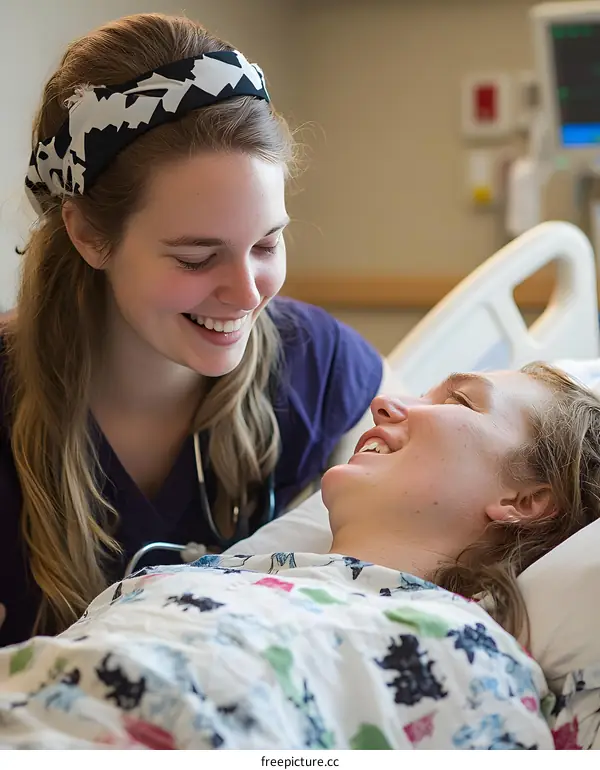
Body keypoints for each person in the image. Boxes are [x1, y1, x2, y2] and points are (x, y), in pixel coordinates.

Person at [0, 13, 390, 648]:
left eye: (267, 244)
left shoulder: (314, 366)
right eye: (196, 258)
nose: (247, 292)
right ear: (89, 234)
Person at [0, 363, 597, 750]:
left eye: (463, 401)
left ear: (525, 499)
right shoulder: (197, 577)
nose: (386, 403)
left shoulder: (477, 667)